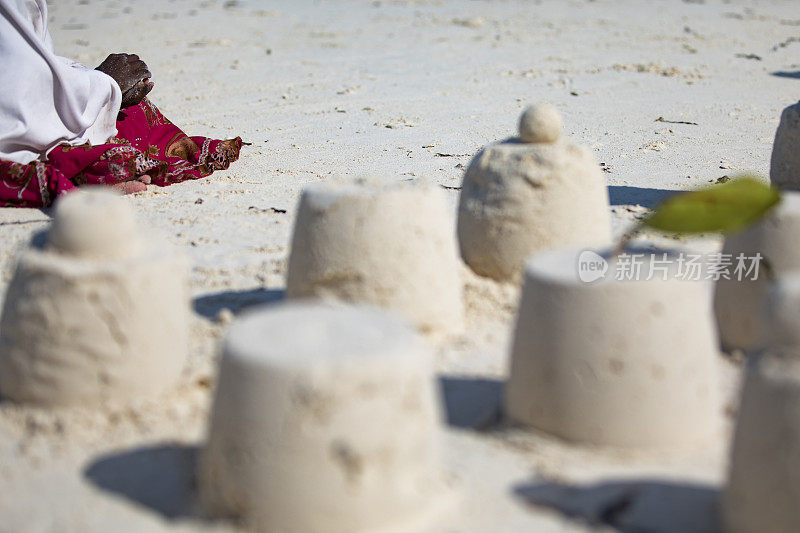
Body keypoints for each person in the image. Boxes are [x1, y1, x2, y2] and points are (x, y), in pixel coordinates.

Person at [0, 0, 242, 208]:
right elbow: (15, 95)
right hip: (14, 133)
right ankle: (89, 171)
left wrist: (96, 82)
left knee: (135, 113)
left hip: (39, 109)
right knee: (118, 118)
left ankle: (93, 168)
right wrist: (101, 84)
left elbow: (35, 63)